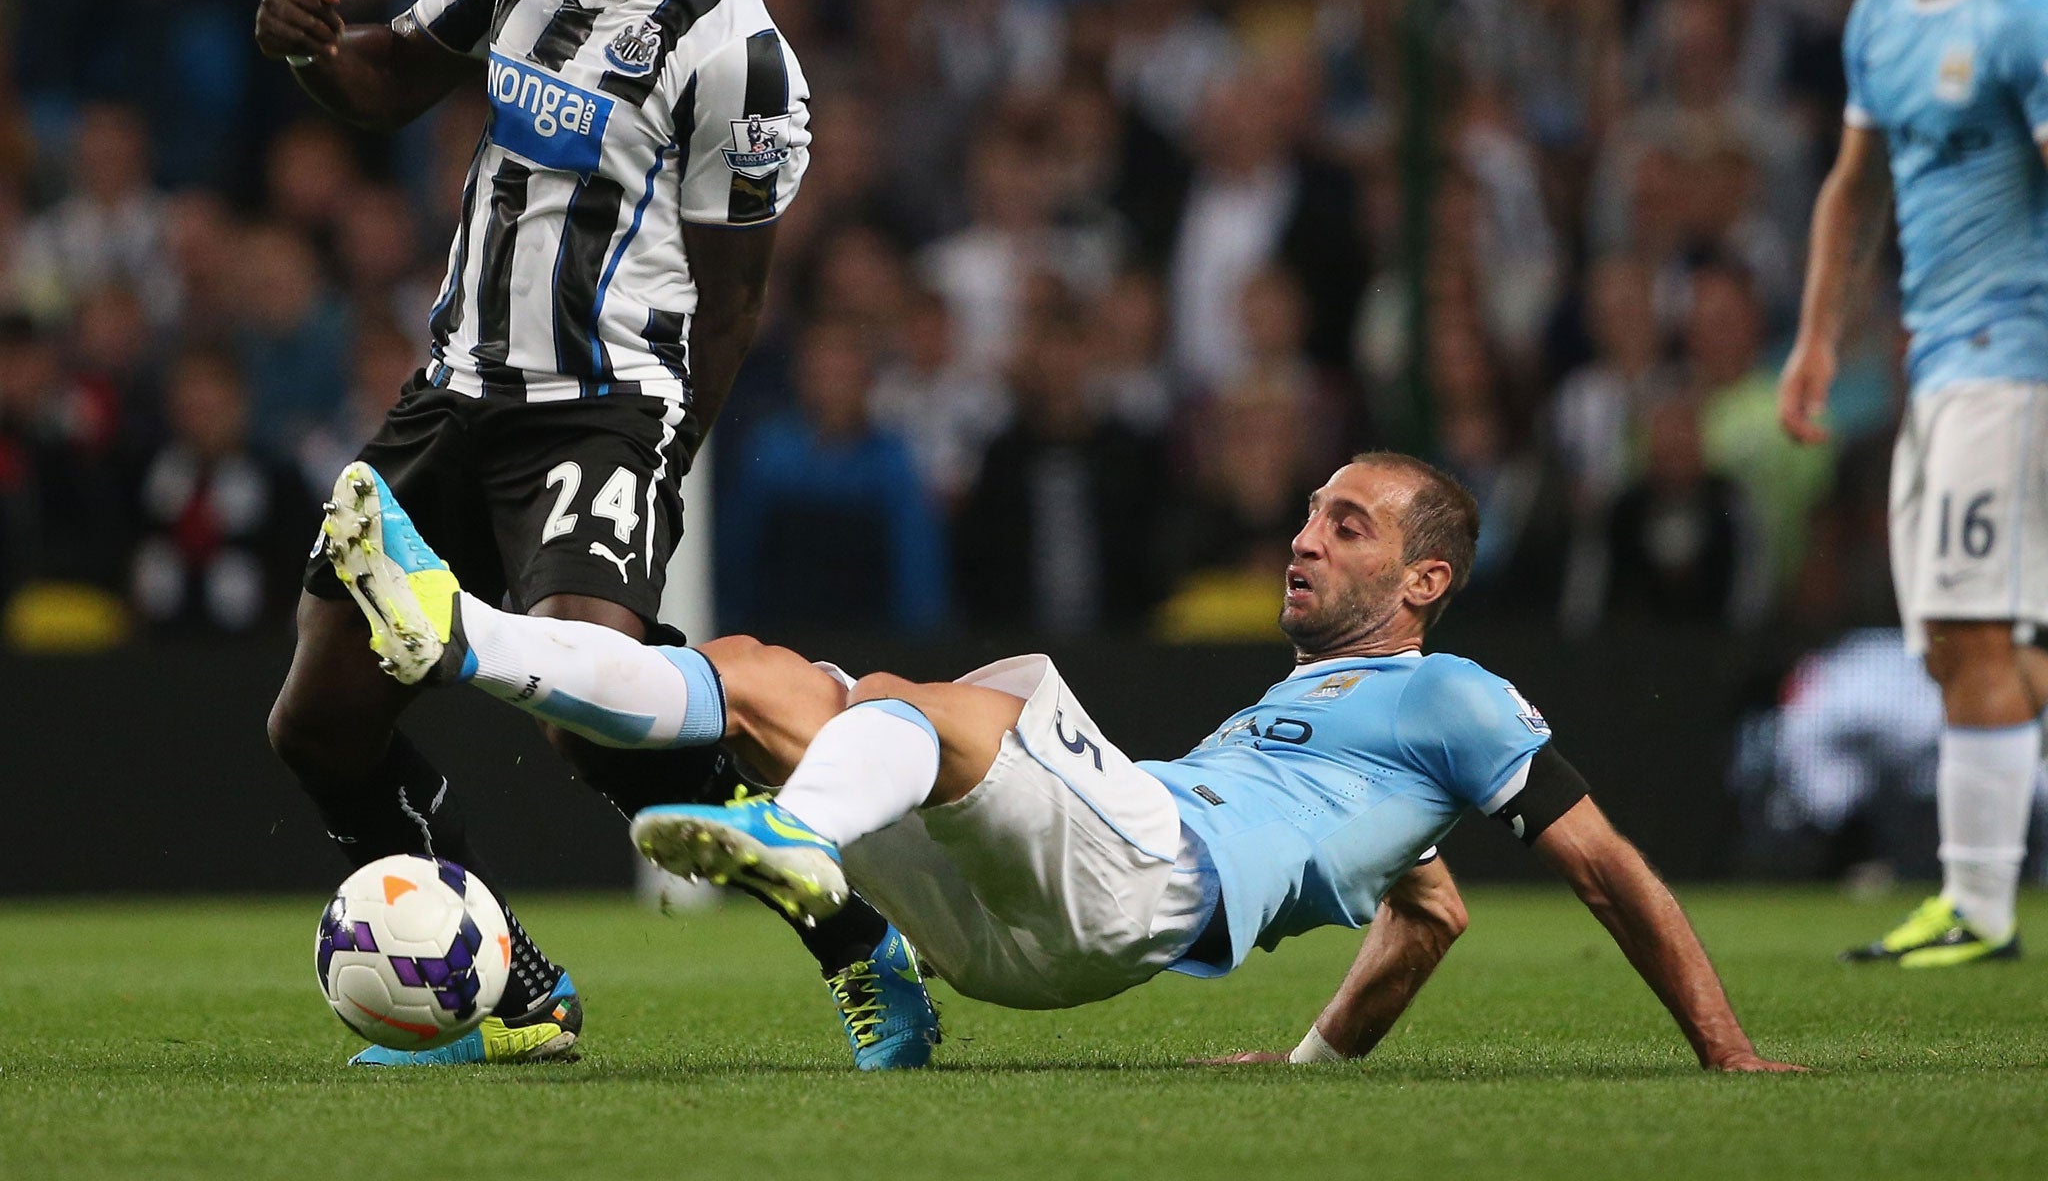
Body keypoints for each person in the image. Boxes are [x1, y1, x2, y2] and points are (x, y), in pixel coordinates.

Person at [319, 450, 1803, 1074]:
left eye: (1348, 525)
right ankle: (462, 639)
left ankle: (813, 857)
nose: (1303, 535)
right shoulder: (1336, 746)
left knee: (968, 698)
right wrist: (1308, 1070)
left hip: (1145, 872)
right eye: (1307, 512)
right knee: (772, 684)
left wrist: (1726, 1057)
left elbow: (1604, 868)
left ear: (1426, 583)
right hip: (1017, 948)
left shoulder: (1463, 700)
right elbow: (1433, 913)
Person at [251, 0, 937, 1069]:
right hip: (450, 395)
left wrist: (666, 461)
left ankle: (859, 945)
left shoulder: (739, 54)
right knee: (320, 723)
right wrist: (317, 54)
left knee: (594, 719)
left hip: (601, 410)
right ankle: (507, 987)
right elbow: (395, 76)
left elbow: (734, 304)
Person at [1779, 0, 2048, 968]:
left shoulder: (2024, 9)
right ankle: (1973, 900)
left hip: (2014, 353)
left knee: (1967, 626)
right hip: (1933, 362)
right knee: (1952, 646)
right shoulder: (1878, 18)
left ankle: (1978, 912)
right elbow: (1851, 187)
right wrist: (1815, 336)